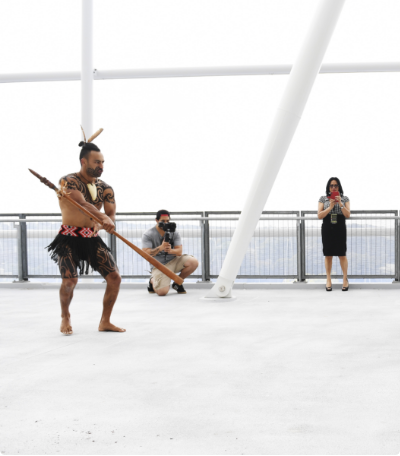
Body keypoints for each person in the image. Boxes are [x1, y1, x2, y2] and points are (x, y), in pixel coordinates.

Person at [47, 136, 125, 335]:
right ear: (84, 162)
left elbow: (111, 213)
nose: (101, 166)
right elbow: (82, 204)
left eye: (103, 162)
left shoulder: (105, 188)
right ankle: (65, 315)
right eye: (97, 162)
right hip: (69, 237)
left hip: (91, 238)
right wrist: (102, 218)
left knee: (115, 278)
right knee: (69, 282)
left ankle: (105, 321)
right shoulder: (67, 181)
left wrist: (106, 222)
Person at [142, 210, 199, 296]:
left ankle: (177, 282)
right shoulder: (148, 234)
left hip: (173, 261)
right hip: (158, 265)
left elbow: (179, 252)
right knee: (162, 292)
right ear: (156, 220)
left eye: (167, 221)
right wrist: (161, 248)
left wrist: (170, 251)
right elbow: (145, 253)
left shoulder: (174, 232)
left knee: (193, 262)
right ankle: (152, 280)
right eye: (162, 221)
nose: (165, 223)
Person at [318, 177, 351, 292]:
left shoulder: (345, 198)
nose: (333, 187)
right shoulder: (323, 199)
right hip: (327, 226)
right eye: (331, 185)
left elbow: (347, 214)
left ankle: (345, 279)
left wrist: (340, 203)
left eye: (335, 185)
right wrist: (331, 207)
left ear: (339, 187)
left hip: (340, 226)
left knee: (342, 253)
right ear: (328, 187)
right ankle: (328, 279)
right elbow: (319, 215)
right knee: (328, 254)